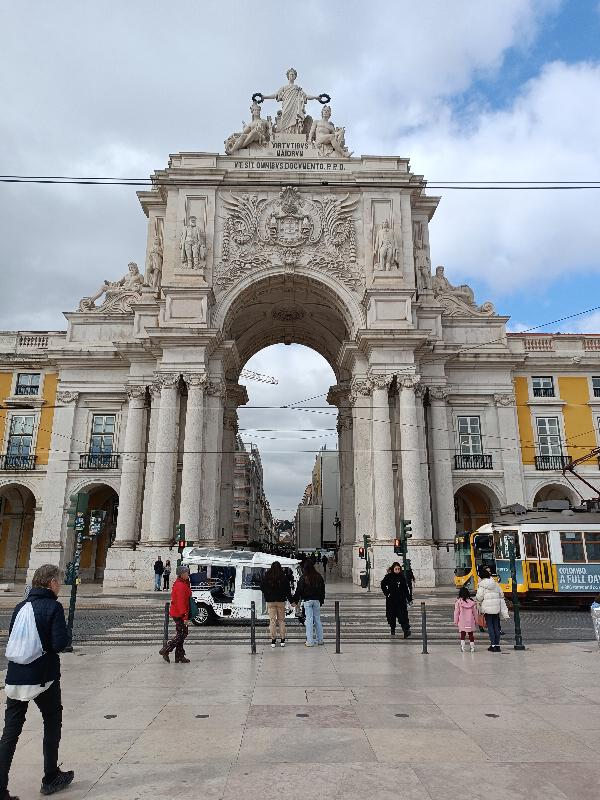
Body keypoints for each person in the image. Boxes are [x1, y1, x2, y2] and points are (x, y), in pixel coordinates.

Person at [0, 564, 73, 798]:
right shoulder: (53, 607)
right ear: (51, 582)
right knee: (52, 723)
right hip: (43, 678)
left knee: (9, 734)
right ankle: (50, 776)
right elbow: (60, 643)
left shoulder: (21, 606)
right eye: (58, 582)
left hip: (15, 678)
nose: (60, 586)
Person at [159, 565, 192, 664]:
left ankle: (179, 656)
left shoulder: (182, 583)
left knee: (181, 634)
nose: (188, 574)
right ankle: (166, 649)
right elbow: (181, 603)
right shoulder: (181, 586)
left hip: (178, 612)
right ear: (181, 574)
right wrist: (185, 616)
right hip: (179, 614)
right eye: (186, 573)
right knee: (182, 633)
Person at [292, 561, 325, 647]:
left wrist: (294, 601)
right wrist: (321, 601)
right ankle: (320, 640)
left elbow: (299, 590)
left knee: (309, 621)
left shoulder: (303, 577)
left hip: (307, 601)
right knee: (317, 620)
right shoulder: (318, 577)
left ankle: (310, 641)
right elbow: (322, 590)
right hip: (317, 600)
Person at [259, 561, 292, 648]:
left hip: (270, 601)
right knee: (281, 621)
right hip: (281, 601)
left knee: (272, 621)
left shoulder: (267, 576)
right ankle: (282, 640)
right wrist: (292, 601)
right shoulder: (283, 577)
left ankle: (273, 641)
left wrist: (267, 594)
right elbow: (288, 590)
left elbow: (262, 586)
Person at [476, 567, 507, 652]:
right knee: (496, 627)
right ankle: (497, 645)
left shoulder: (481, 585)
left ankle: (493, 645)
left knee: (490, 627)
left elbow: (479, 597)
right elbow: (501, 594)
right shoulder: (495, 584)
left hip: (487, 609)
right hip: (496, 608)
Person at [381, 562, 412, 638]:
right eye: (396, 569)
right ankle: (392, 629)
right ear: (393, 569)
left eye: (398, 569)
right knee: (392, 615)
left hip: (401, 600)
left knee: (403, 616)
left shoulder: (402, 577)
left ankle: (406, 630)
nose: (397, 570)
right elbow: (383, 585)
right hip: (391, 600)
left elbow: (405, 589)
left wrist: (409, 598)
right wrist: (387, 593)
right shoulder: (389, 576)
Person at [453, 586, 478, 652]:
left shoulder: (458, 602)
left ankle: (463, 647)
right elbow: (475, 612)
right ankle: (472, 647)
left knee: (463, 634)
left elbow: (456, 613)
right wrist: (477, 621)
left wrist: (455, 621)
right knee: (471, 634)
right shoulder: (472, 602)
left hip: (462, 621)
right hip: (470, 621)